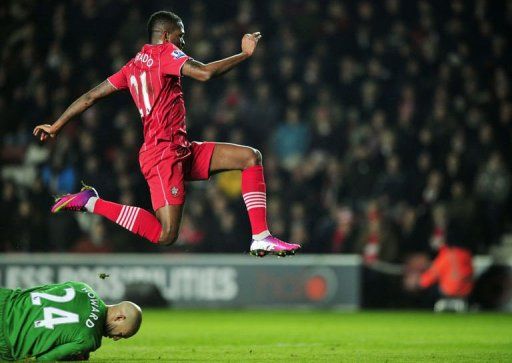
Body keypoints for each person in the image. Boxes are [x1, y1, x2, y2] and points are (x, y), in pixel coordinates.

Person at [33, 10, 300, 257]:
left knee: (250, 157)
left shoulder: (132, 66)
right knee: (166, 235)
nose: (183, 43)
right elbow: (205, 73)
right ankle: (92, 202)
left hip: (181, 148)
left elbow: (91, 96)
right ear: (165, 36)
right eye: (180, 37)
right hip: (163, 155)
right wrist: (244, 55)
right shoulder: (165, 54)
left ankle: (261, 236)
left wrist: (56, 125)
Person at [0, 281, 142, 361]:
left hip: (6, 298)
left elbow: (39, 290)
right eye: (122, 334)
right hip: (8, 338)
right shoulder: (90, 340)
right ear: (119, 318)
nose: (116, 338)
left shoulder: (82, 287)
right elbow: (44, 359)